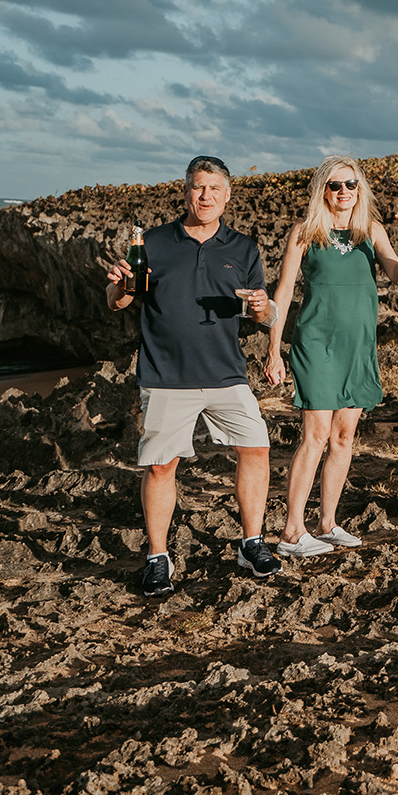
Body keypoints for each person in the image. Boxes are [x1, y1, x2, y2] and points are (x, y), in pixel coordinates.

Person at [102, 155, 282, 596]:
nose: (206, 196)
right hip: (166, 375)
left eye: (214, 188)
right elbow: (116, 301)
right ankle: (158, 558)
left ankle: (252, 543)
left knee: (257, 450)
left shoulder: (242, 248)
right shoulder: (154, 243)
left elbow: (267, 311)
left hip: (226, 374)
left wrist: (263, 308)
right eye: (198, 187)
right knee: (162, 467)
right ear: (185, 191)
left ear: (227, 194)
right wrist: (121, 284)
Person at [264, 157, 398, 557]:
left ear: (360, 188)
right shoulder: (304, 232)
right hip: (317, 343)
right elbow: (282, 292)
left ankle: (328, 523)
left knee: (344, 436)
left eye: (351, 184)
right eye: (335, 185)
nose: (344, 192)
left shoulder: (372, 230)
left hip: (358, 345)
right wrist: (273, 349)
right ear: (323, 189)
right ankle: (292, 532)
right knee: (314, 435)